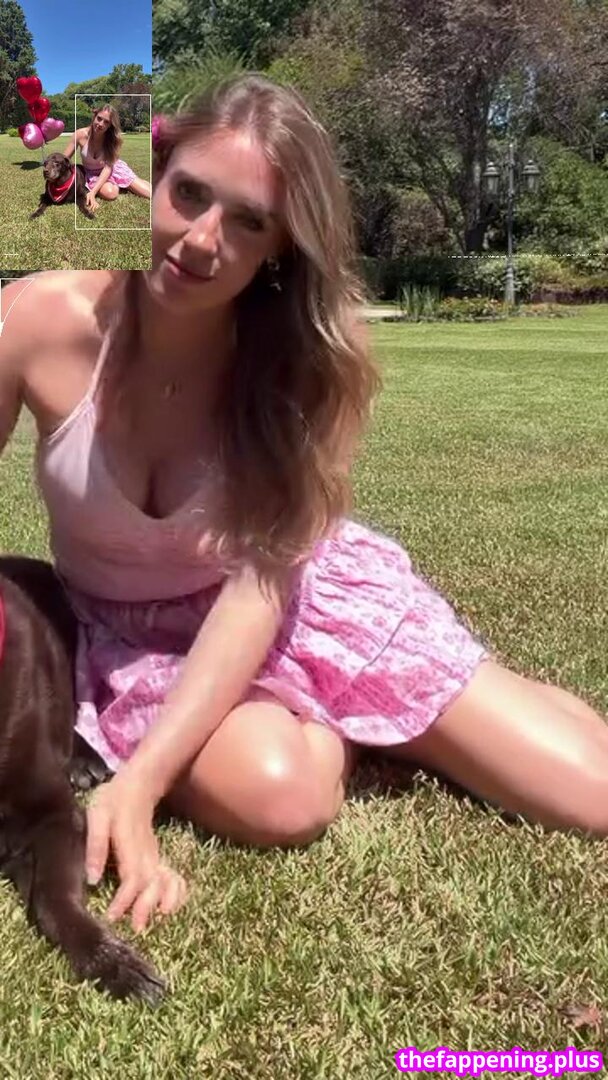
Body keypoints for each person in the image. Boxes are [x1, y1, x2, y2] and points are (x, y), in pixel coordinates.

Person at [1, 74, 607, 938]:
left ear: (281, 247)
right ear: (153, 178)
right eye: (189, 195)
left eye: (248, 222)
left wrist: (138, 786)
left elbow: (261, 587)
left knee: (592, 795)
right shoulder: (37, 318)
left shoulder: (306, 360)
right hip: (129, 639)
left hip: (293, 607)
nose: (202, 240)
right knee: (279, 796)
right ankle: (352, 728)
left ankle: (427, 700)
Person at [63, 104, 152, 213]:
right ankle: (121, 185)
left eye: (106, 122)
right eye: (99, 118)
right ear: (94, 116)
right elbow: (64, 159)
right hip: (92, 174)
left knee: (149, 193)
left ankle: (129, 183)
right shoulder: (79, 134)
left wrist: (93, 192)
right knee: (110, 193)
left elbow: (108, 168)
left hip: (114, 170)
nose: (100, 124)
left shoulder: (114, 139)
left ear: (110, 125)